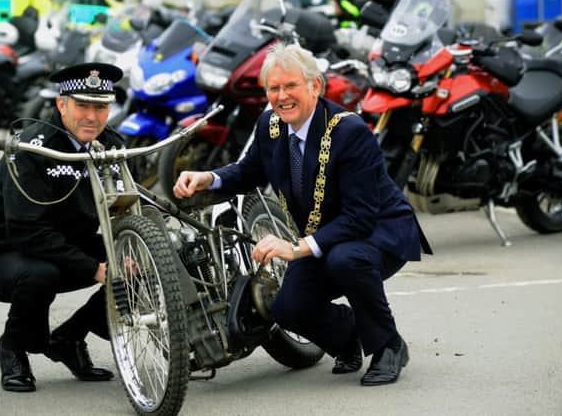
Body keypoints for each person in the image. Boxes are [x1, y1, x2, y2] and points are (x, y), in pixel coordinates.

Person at [173, 43, 432, 386]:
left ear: (315, 86)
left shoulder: (349, 132)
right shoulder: (271, 125)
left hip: (379, 231)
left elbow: (360, 217)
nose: (282, 96)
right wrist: (209, 177)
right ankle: (349, 337)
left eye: (290, 86)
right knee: (288, 308)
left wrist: (296, 248)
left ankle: (388, 344)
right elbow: (250, 171)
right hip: (324, 234)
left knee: (345, 260)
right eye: (274, 88)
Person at [0, 62, 124, 392]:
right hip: (2, 254)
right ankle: (13, 347)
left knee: (140, 263)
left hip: (63, 246)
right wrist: (93, 268)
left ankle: (69, 337)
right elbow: (27, 230)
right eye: (82, 105)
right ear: (61, 104)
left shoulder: (111, 144)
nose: (92, 117)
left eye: (101, 107)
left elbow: (125, 204)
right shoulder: (33, 148)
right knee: (41, 274)